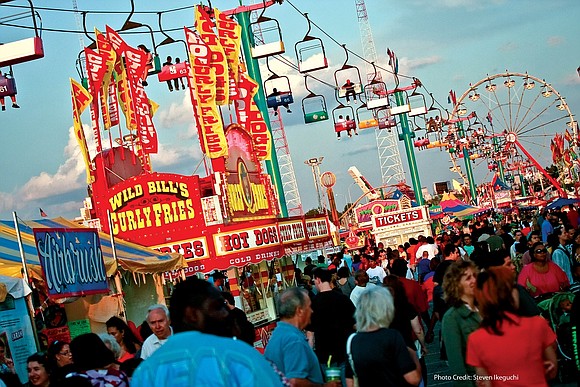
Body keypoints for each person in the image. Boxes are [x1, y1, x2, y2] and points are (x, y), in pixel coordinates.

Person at [132, 277, 285, 387]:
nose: (225, 313)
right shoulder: (237, 356)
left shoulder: (146, 372)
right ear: (192, 314)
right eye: (217, 307)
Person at [466, 267, 558, 386]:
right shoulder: (537, 325)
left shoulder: (475, 339)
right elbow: (552, 369)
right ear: (510, 293)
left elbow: (484, 382)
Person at [345, 285, 421, 386]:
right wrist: (414, 356)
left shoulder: (352, 341)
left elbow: (350, 383)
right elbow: (413, 379)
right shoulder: (392, 337)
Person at [265, 287, 338, 387]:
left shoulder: (279, 334)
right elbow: (295, 381)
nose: (312, 311)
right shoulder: (293, 339)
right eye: (309, 307)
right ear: (299, 311)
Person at [307, 268, 356, 384]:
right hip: (345, 351)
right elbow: (356, 324)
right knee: (347, 382)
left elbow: (310, 333)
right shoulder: (343, 299)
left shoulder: (313, 303)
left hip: (326, 354)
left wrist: (310, 355)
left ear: (318, 280)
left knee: (333, 384)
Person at [440, 261, 481, 385]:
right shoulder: (452, 318)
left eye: (474, 275)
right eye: (468, 278)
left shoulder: (486, 308)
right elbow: (457, 366)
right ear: (456, 284)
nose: (473, 280)